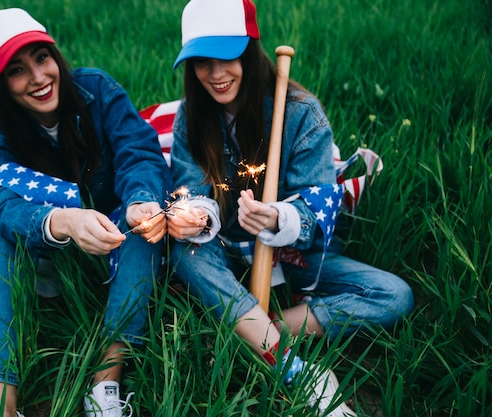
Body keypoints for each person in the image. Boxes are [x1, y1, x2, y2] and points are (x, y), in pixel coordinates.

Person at [167, 0, 415, 415]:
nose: (214, 74)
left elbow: (317, 208)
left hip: (293, 253)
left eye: (226, 57)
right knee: (187, 254)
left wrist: (280, 218)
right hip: (224, 251)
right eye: (201, 62)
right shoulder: (190, 117)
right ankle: (290, 365)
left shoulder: (301, 114)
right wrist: (198, 216)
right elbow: (194, 192)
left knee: (395, 296)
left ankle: (254, 331)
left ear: (249, 49)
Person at [0, 8, 171, 417]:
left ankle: (105, 383)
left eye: (42, 58)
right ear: (1, 85)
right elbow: (6, 206)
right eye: (17, 70)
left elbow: (139, 151)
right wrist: (63, 221)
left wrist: (139, 200)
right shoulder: (0, 137)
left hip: (119, 240)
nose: (39, 78)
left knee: (145, 223)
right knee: (3, 236)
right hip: (54, 252)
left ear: (55, 56)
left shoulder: (96, 89)